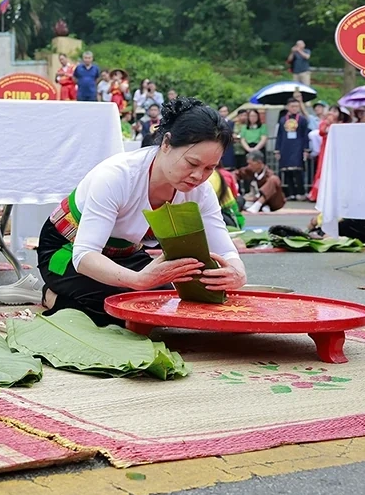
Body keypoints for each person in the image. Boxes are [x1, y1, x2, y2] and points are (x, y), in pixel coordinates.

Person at [36, 97, 246, 326]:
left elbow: (225, 250)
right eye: (192, 163)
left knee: (164, 305)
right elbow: (84, 255)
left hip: (125, 253)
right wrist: (139, 280)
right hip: (66, 249)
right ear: (166, 143)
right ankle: (51, 295)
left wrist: (237, 272)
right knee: (116, 311)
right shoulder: (117, 176)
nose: (198, 176)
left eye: (209, 168)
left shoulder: (201, 191)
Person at [275, 97, 310, 200]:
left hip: (298, 147)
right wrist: (277, 150)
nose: (294, 108)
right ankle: (291, 193)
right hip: (285, 146)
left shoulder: (302, 120)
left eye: (296, 106)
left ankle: (301, 192)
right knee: (287, 171)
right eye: (292, 106)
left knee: (298, 171)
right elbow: (279, 135)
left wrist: (306, 149)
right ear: (288, 107)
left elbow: (305, 135)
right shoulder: (282, 120)